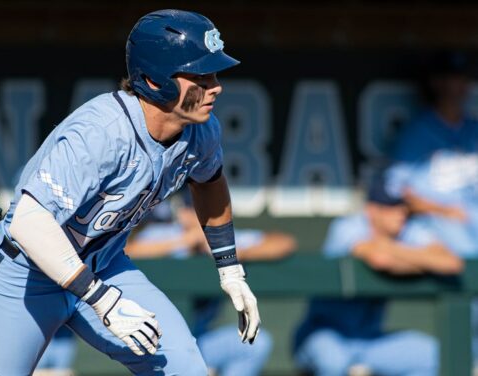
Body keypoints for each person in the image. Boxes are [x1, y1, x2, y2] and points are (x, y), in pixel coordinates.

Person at [0, 9, 261, 376]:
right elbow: (27, 223)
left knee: (186, 368)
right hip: (23, 273)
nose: (215, 86)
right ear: (155, 80)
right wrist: (100, 298)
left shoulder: (201, 130)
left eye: (214, 74)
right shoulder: (102, 132)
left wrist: (230, 269)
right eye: (200, 76)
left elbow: (210, 182)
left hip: (103, 265)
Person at [292, 178, 463, 376]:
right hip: (325, 332)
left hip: (369, 339)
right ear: (372, 210)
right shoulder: (348, 226)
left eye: (403, 207)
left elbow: (450, 263)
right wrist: (421, 260)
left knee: (432, 355)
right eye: (392, 208)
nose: (401, 215)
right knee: (334, 363)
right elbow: (380, 260)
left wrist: (388, 247)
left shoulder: (408, 231)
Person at [124, 196, 295, 376]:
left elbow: (283, 242)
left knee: (256, 345)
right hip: (154, 341)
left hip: (199, 338)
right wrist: (186, 240)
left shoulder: (219, 238)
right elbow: (129, 250)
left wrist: (228, 254)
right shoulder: (164, 234)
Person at [387, 51, 478, 258]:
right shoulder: (415, 133)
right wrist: (445, 211)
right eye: (454, 78)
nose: (460, 85)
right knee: (463, 248)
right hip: (434, 221)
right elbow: (398, 192)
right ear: (437, 83)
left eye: (464, 78)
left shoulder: (474, 129)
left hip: (473, 218)